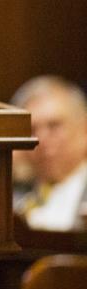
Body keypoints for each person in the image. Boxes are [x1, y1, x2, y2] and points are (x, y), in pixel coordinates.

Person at [11, 75, 87, 231]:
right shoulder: (12, 200)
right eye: (31, 130)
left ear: (84, 130)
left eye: (54, 126)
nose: (41, 139)